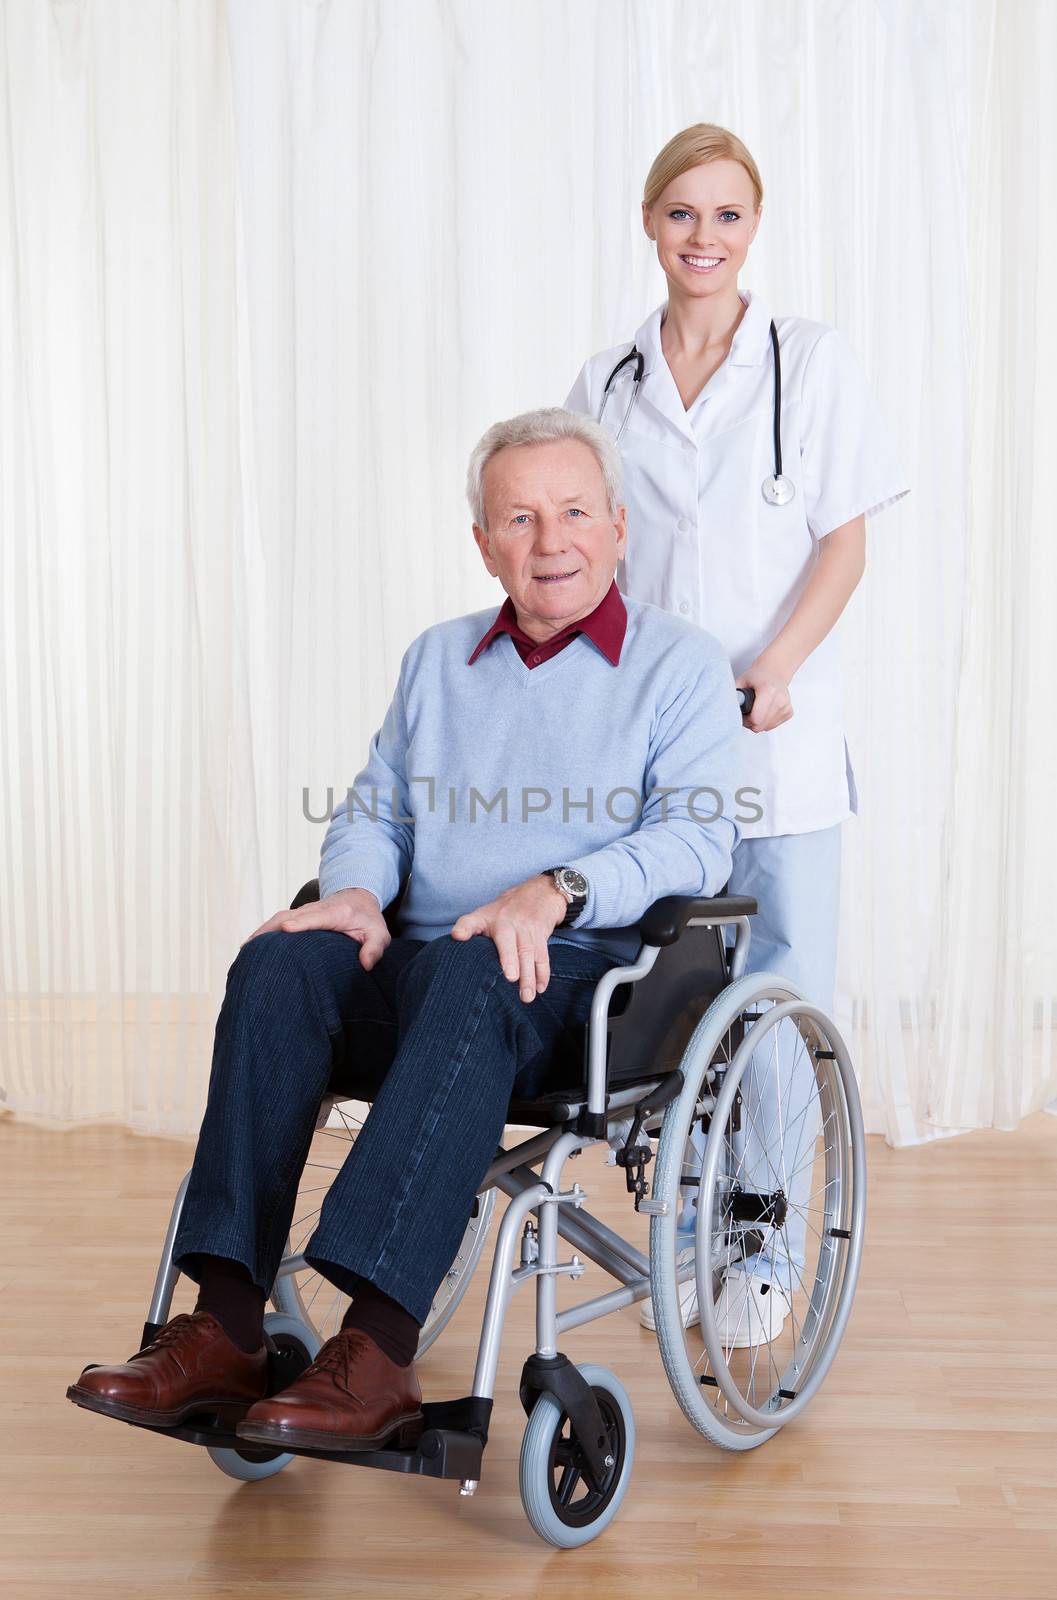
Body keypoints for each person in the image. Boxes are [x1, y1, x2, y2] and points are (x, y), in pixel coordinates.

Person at [66, 407, 745, 1453]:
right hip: (427, 972)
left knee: (472, 967)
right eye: (517, 518)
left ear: (618, 527)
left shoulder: (681, 666)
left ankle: (375, 1349)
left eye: (571, 512)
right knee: (282, 960)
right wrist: (349, 892)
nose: (548, 540)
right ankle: (227, 1325)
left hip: (572, 988)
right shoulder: (439, 660)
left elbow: (698, 844)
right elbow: (377, 807)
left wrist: (555, 886)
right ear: (483, 544)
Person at [563, 123, 909, 1343]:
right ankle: (689, 1204)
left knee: (774, 994)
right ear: (649, 225)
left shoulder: (806, 363)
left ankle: (760, 1237)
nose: (702, 238)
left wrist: (773, 666)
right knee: (660, 985)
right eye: (680, 215)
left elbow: (844, 537)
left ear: (752, 229)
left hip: (775, 748)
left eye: (726, 216)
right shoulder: (606, 386)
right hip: (653, 754)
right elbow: (582, 554)